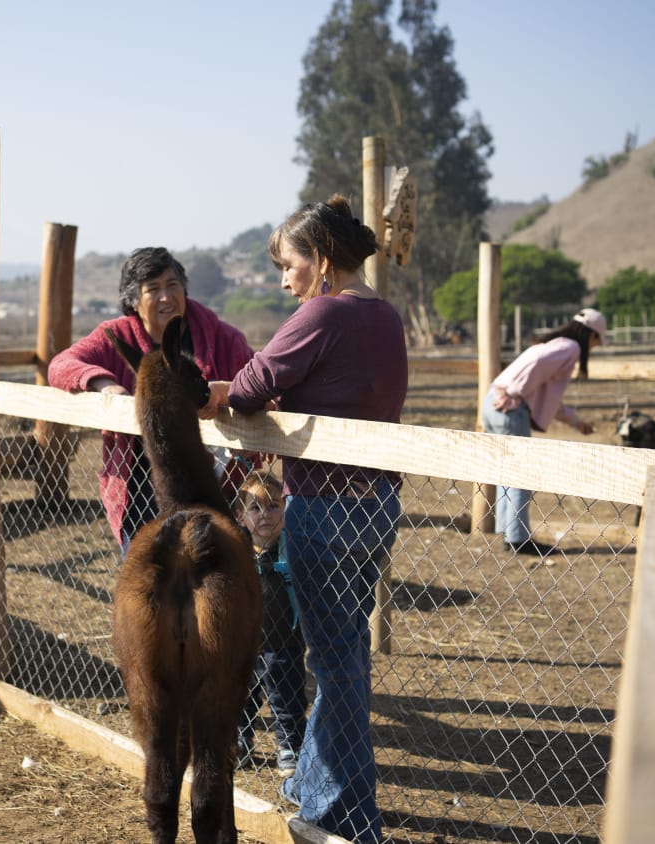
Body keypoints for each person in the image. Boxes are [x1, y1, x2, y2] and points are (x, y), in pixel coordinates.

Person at [203, 195, 406, 843]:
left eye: (287, 266)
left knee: (337, 661)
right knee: (345, 652)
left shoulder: (323, 312)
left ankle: (343, 818)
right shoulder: (387, 315)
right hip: (377, 504)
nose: (282, 281)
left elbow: (253, 383)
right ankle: (318, 788)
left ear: (320, 262)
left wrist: (224, 392)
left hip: (324, 505)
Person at [47, 246, 256, 552]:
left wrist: (230, 397)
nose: (166, 297)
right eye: (153, 289)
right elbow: (61, 365)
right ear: (133, 300)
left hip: (217, 489)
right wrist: (105, 385)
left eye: (173, 286)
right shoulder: (115, 337)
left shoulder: (222, 338)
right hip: (140, 495)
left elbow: (258, 382)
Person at [481, 307, 607, 556]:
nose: (595, 347)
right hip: (509, 406)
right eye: (597, 341)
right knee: (520, 473)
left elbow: (549, 398)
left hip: (493, 403)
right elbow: (534, 371)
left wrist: (575, 421)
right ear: (591, 336)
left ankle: (508, 532)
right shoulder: (570, 348)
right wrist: (514, 392)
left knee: (506, 471)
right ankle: (517, 538)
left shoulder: (552, 344)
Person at [234, 471, 308, 776]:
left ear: (286, 508)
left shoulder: (293, 550)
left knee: (286, 697)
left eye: (274, 505)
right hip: (243, 642)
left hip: (284, 641)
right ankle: (240, 739)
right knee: (240, 695)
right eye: (255, 508)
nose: (265, 514)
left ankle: (289, 744)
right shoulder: (237, 554)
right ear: (240, 516)